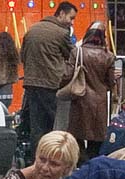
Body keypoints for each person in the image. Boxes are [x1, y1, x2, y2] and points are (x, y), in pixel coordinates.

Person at [20, 2, 76, 155]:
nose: (72, 22)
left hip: (31, 83)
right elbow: (72, 57)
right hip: (51, 84)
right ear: (61, 14)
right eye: (71, 18)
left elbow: (23, 56)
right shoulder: (61, 33)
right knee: (52, 124)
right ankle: (51, 157)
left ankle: (35, 159)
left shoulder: (32, 30)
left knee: (36, 125)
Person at [65, 27, 115, 162]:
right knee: (96, 137)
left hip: (80, 98)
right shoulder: (108, 56)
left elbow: (68, 75)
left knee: (77, 134)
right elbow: (111, 82)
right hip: (100, 102)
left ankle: (81, 161)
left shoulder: (77, 52)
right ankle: (91, 162)